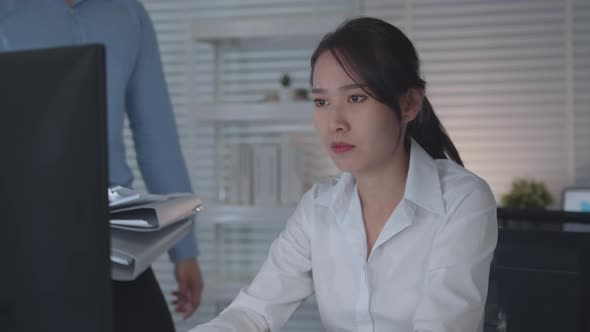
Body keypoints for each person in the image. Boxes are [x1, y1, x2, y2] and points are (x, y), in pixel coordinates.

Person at [190, 17, 498, 332]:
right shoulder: (317, 208)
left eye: (355, 98)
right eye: (322, 101)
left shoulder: (462, 200)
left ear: (409, 103)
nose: (335, 122)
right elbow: (254, 313)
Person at [0, 0, 203, 331]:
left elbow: (158, 139)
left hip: (111, 237)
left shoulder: (127, 14)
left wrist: (185, 250)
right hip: (18, 242)